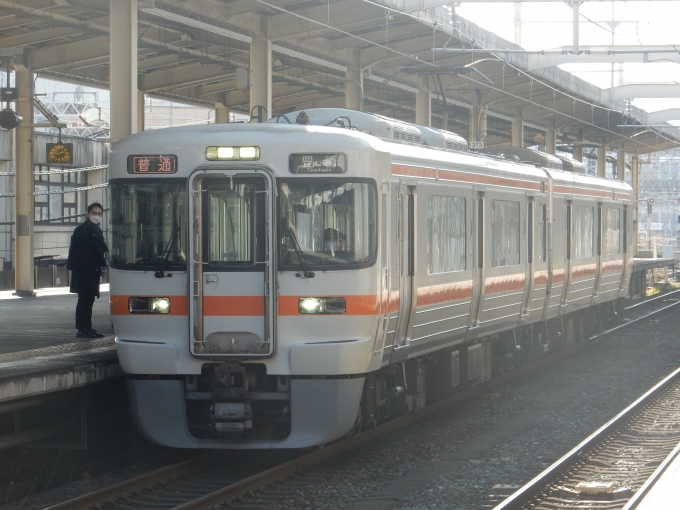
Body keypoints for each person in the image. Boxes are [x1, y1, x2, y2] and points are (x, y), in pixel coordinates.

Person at [67, 202, 109, 338]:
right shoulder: (81, 230)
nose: (96, 216)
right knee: (84, 299)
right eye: (94, 213)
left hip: (93, 272)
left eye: (99, 214)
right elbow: (75, 252)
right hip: (84, 272)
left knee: (89, 300)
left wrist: (102, 266)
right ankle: (81, 328)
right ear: (87, 214)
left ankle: (87, 327)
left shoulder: (96, 230)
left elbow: (100, 251)